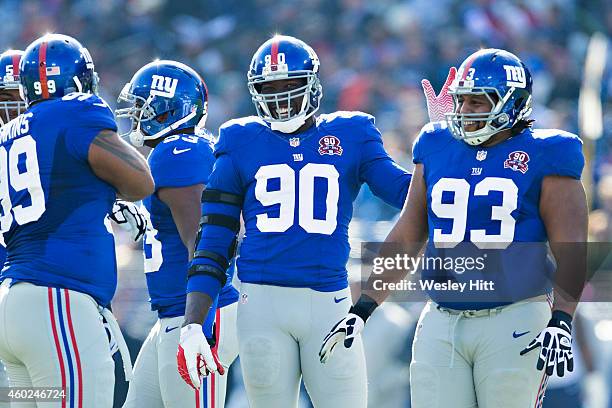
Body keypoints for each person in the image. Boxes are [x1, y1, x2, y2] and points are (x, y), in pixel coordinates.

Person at [320, 48, 588, 408]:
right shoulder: (436, 144)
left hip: (516, 316)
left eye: (479, 102)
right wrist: (364, 307)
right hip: (441, 318)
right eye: (462, 102)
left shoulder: (549, 151)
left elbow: (572, 248)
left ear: (514, 102)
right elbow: (408, 233)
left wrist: (561, 320)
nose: (466, 111)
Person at [177, 34, 411, 408]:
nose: (282, 99)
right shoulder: (239, 139)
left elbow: (406, 195)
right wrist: (193, 321)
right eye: (271, 89)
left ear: (313, 86)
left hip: (330, 303)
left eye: (291, 86)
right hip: (262, 305)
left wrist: (443, 148)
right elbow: (214, 239)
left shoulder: (352, 133)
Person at [0, 33, 154, 407]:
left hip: (14, 312)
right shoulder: (74, 112)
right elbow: (140, 181)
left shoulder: (8, 135)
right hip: (58, 303)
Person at [117, 60, 239, 408]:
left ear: (165, 108)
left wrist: (197, 326)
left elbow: (206, 241)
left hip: (194, 318)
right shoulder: (182, 152)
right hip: (173, 316)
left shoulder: (177, 152)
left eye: (142, 107)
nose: (135, 115)